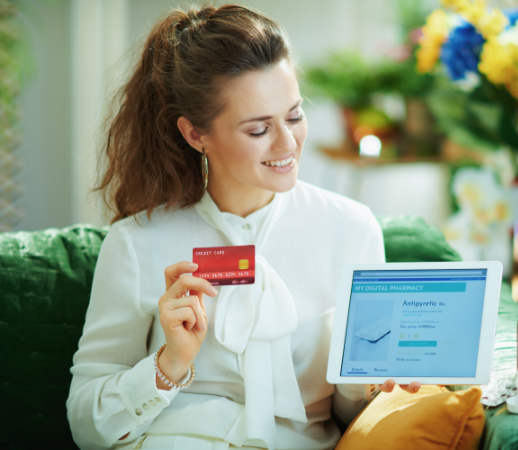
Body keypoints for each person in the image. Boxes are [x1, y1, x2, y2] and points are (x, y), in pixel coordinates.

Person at [66, 5, 420, 450]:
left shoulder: (349, 229)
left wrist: (366, 379)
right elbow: (85, 424)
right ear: (196, 134)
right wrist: (168, 364)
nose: (288, 144)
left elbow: (351, 416)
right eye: (258, 130)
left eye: (294, 115)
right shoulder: (137, 243)